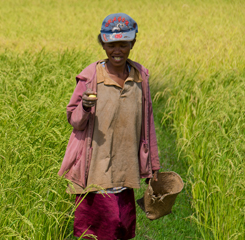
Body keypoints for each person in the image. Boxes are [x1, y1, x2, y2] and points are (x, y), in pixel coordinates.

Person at [57, 13, 161, 240]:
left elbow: (148, 121)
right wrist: (84, 106)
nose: (117, 50)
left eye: (123, 44)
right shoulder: (91, 76)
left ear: (132, 44)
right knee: (101, 227)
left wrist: (153, 164)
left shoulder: (140, 76)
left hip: (126, 167)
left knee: (122, 227)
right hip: (96, 168)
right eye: (111, 45)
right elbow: (74, 120)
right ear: (103, 44)